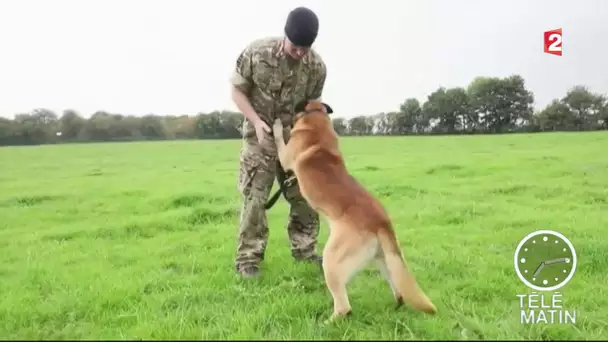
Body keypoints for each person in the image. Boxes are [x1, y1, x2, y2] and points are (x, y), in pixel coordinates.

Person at [229, 6, 327, 278]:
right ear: (285, 35)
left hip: (293, 140)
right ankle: (248, 260)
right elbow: (237, 91)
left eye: (305, 48)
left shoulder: (316, 67)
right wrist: (256, 121)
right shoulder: (257, 53)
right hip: (258, 138)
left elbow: (311, 106)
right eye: (296, 47)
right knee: (254, 199)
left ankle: (305, 252)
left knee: (305, 195)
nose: (300, 53)